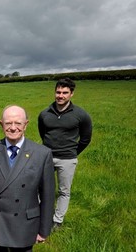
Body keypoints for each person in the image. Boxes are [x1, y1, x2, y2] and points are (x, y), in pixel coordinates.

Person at [0, 105, 55, 251]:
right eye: (8, 123)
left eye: (18, 123)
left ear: (26, 124)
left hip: (24, 224)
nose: (13, 128)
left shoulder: (42, 154)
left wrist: (44, 229)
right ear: (1, 124)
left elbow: (47, 196)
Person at [38, 78, 93, 230]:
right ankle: (40, 215)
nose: (60, 95)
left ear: (71, 94)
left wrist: (72, 152)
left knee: (64, 191)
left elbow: (86, 138)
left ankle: (57, 221)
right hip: (47, 157)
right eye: (58, 92)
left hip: (67, 159)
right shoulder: (44, 114)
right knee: (41, 187)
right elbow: (43, 134)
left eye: (65, 93)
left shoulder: (81, 115)